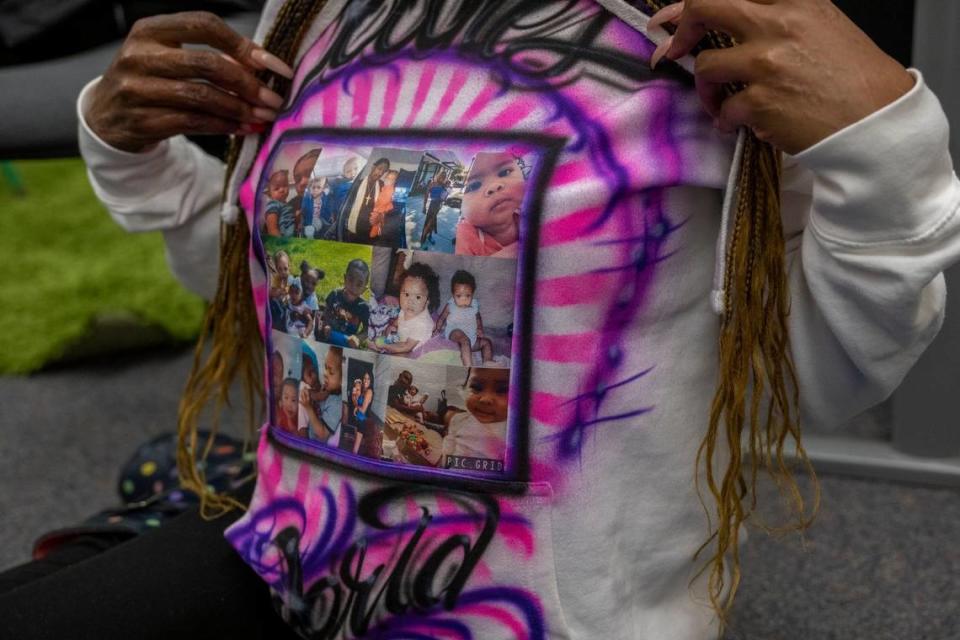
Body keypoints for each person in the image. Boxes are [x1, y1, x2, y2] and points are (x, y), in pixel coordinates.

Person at [5, 2, 957, 640]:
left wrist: (888, 144)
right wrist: (127, 146)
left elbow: (809, 384)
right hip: (287, 561)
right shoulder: (313, 18)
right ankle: (149, 517)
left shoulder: (703, 37)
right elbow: (263, 308)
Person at [456, 152, 524, 257]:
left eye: (505, 172)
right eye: (474, 186)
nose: (494, 186)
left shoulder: (534, 213)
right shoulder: (464, 236)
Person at [439, 367, 508, 468]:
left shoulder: (512, 432)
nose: (485, 399)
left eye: (502, 390)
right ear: (464, 388)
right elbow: (449, 445)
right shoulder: (459, 420)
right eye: (476, 387)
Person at [374, 262, 440, 356]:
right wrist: (391, 328)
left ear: (428, 300)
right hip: (401, 338)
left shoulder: (422, 324)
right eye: (406, 294)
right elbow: (397, 321)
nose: (410, 301)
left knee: (401, 355)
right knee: (384, 333)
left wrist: (385, 345)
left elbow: (406, 347)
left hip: (411, 348)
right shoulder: (406, 309)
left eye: (417, 297)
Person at [434, 269, 494, 366]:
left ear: (472, 294)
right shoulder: (451, 305)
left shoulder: (474, 304)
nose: (463, 300)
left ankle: (488, 364)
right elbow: (442, 318)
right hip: (455, 334)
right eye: (459, 296)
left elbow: (478, 317)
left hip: (472, 339)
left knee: (487, 343)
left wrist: (479, 327)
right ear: (453, 295)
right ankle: (468, 367)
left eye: (467, 296)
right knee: (465, 340)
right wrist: (437, 328)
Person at [319, 258, 370, 348]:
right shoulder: (334, 295)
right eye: (350, 280)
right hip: (329, 336)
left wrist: (358, 338)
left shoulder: (364, 307)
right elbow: (326, 311)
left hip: (346, 343)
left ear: (364, 290)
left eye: (359, 284)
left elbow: (368, 329)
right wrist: (326, 324)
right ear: (345, 278)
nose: (353, 287)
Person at [298, 345, 344, 444]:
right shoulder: (327, 388)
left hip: (315, 448)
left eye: (331, 372)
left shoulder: (336, 404)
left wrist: (308, 408)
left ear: (343, 380)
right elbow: (316, 395)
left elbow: (322, 434)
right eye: (325, 368)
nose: (325, 374)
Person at [339, 157, 390, 243]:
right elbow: (346, 206)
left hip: (370, 231)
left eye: (384, 171)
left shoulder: (382, 186)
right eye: (379, 169)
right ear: (373, 167)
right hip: (353, 229)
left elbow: (385, 206)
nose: (381, 173)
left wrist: (381, 216)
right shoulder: (358, 183)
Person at [262, 169, 294, 237]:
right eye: (277, 188)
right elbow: (272, 229)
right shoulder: (273, 204)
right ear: (269, 194)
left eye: (285, 185)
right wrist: (280, 244)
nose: (282, 190)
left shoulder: (287, 204)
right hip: (284, 241)